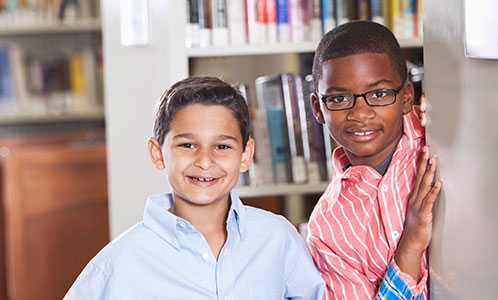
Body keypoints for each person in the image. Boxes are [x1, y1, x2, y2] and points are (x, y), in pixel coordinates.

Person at [65, 76, 325, 299]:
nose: (204, 161)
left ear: (245, 155)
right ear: (158, 154)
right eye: (187, 145)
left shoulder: (277, 239)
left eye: (222, 146)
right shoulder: (118, 263)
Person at [307, 21, 442, 300]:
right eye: (339, 98)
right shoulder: (328, 228)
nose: (360, 113)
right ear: (318, 108)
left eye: (379, 94)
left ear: (406, 96)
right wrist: (411, 245)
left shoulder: (442, 139)